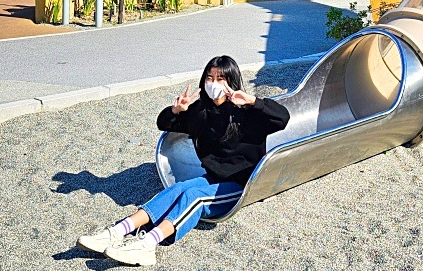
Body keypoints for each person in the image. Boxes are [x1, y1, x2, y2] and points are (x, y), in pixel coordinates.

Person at [77, 55, 290, 267]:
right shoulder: (201, 111)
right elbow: (164, 123)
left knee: (194, 197)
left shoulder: (247, 112)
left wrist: (253, 101)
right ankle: (118, 231)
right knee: (178, 189)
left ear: (231, 81)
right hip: (213, 178)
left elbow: (283, 118)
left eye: (220, 79)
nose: (213, 84)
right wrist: (176, 110)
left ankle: (147, 245)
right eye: (210, 77)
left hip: (243, 185)